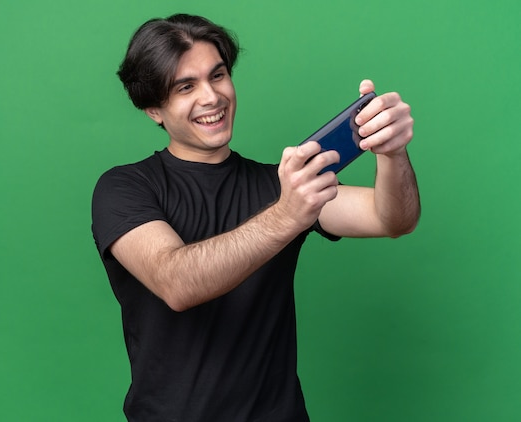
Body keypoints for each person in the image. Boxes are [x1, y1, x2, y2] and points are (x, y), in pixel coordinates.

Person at [91, 13, 420, 422]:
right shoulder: (124, 188)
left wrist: (392, 154)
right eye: (185, 87)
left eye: (218, 76)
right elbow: (176, 282)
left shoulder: (283, 184)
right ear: (153, 109)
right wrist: (286, 215)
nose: (211, 97)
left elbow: (392, 219)